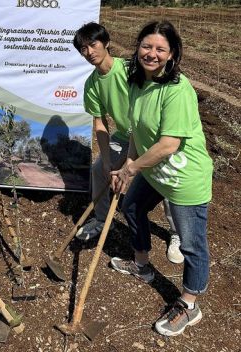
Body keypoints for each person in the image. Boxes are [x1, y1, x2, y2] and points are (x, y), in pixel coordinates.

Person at [110, 20, 213, 336]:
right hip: (154, 170)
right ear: (137, 46)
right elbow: (136, 130)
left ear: (171, 55)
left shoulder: (177, 89)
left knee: (192, 245)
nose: (151, 54)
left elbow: (169, 144)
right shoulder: (139, 82)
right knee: (132, 207)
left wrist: (132, 168)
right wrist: (129, 159)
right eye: (146, 46)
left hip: (183, 178)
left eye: (160, 49)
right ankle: (142, 265)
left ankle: (189, 304)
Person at [72, 22, 183, 265]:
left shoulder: (130, 69)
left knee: (166, 178)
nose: (89, 52)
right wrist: (107, 160)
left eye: (93, 44)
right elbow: (100, 124)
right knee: (98, 170)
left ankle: (177, 233)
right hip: (124, 135)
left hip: (151, 135)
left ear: (106, 43)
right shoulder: (92, 84)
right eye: (83, 48)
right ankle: (102, 219)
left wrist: (130, 165)